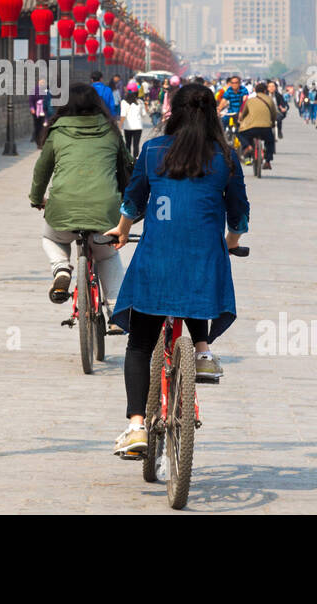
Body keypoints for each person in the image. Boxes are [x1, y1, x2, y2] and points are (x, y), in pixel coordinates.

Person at [103, 84, 248, 458]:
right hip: (203, 261)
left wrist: (121, 230)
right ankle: (201, 350)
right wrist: (231, 242)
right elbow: (239, 212)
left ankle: (136, 426)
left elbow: (133, 199)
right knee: (198, 274)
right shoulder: (226, 157)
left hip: (157, 260)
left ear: (174, 112)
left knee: (138, 344)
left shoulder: (152, 151)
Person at [29, 83, 132, 306]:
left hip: (62, 210)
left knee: (50, 238)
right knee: (107, 255)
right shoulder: (111, 130)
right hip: (105, 212)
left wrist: (36, 199)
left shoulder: (56, 131)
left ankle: (61, 268)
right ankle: (116, 310)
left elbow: (41, 170)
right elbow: (127, 167)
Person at [236, 81, 278, 169]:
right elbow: (274, 114)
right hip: (266, 128)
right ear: (265, 91)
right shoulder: (269, 100)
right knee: (270, 141)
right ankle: (267, 161)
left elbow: (243, 114)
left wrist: (241, 120)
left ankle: (247, 146)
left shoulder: (250, 100)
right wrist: (272, 123)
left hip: (251, 128)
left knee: (239, 132)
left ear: (255, 91)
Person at [120, 87, 145, 158]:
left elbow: (123, 115)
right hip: (138, 127)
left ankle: (128, 161)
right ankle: (135, 161)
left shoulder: (123, 102)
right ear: (137, 93)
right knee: (136, 145)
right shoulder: (140, 102)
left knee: (128, 144)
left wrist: (120, 126)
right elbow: (144, 114)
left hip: (128, 127)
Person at [29, 79, 49, 143]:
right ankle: (36, 138)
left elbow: (47, 99)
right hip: (36, 111)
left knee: (43, 125)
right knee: (37, 125)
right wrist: (32, 108)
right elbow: (31, 100)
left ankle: (41, 139)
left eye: (44, 82)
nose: (43, 83)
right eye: (41, 82)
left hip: (43, 110)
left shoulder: (46, 90)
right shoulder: (34, 90)